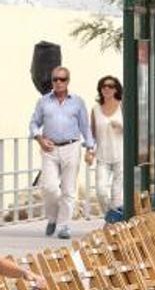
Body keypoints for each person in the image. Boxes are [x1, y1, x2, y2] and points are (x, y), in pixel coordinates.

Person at [29, 66, 95, 239]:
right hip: (49, 149)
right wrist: (40, 139)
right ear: (52, 81)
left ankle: (64, 225)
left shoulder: (77, 102)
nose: (58, 82)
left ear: (68, 81)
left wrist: (90, 148)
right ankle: (53, 217)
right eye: (55, 79)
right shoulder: (43, 102)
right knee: (49, 187)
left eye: (62, 79)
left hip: (72, 147)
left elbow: (85, 127)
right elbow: (34, 124)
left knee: (68, 189)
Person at [90, 75, 124, 221]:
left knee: (117, 194)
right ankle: (112, 216)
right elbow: (91, 134)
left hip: (121, 156)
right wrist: (89, 151)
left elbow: (134, 129)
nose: (107, 89)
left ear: (116, 89)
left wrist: (122, 127)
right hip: (102, 157)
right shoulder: (96, 109)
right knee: (101, 191)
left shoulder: (123, 106)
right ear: (100, 89)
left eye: (111, 86)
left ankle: (113, 222)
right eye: (104, 86)